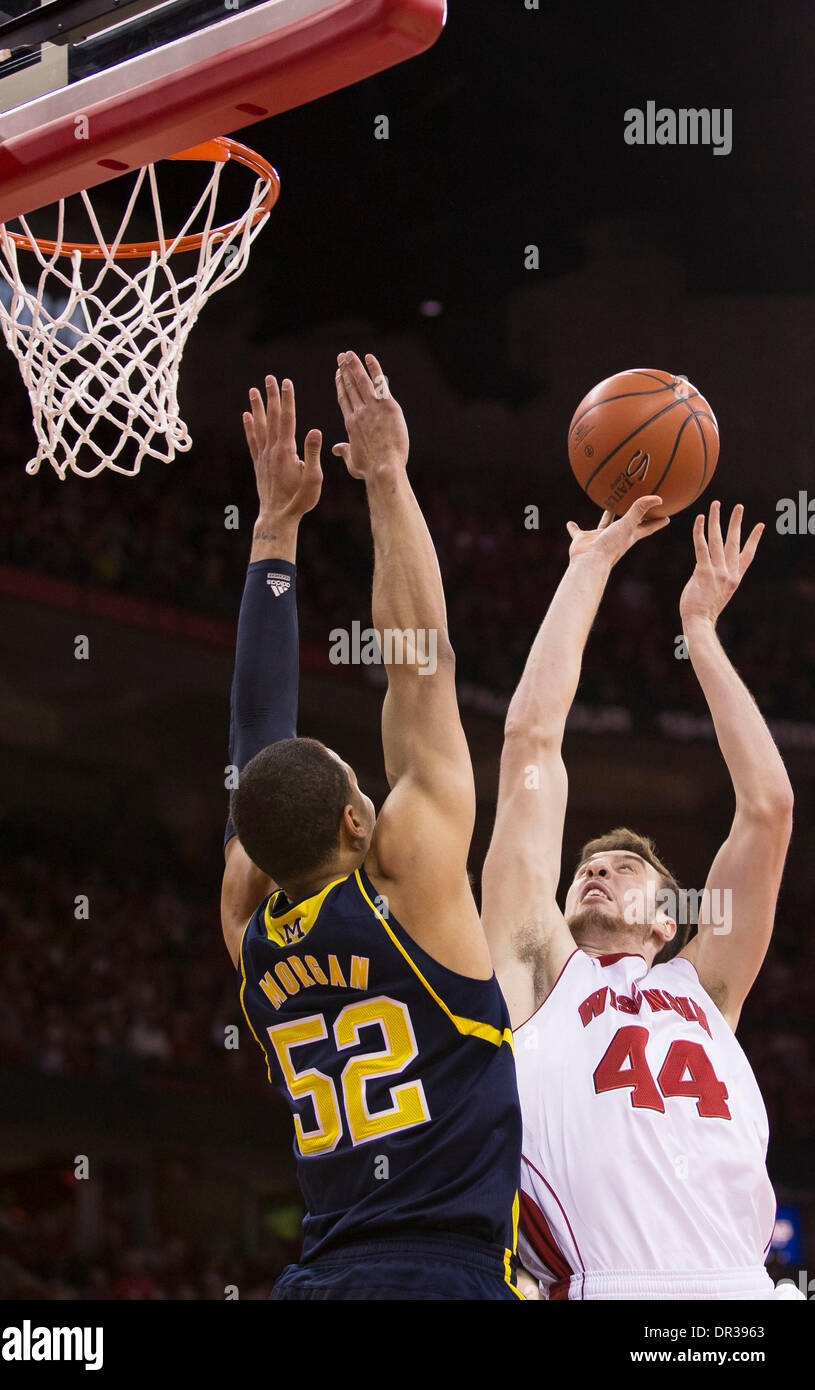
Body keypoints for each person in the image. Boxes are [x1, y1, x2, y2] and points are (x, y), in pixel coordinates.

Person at [220, 354, 522, 1300]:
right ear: (358, 819)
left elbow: (255, 754)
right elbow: (419, 664)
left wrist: (275, 534)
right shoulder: (409, 886)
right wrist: (384, 478)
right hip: (445, 1275)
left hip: (321, 1278)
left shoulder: (252, 934)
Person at [482, 495, 795, 1300]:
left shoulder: (705, 987)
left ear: (668, 919)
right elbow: (530, 745)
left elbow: (766, 810)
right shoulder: (536, 971)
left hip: (744, 1294)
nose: (595, 870)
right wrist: (587, 568)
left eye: (622, 866)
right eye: (585, 866)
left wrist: (700, 633)